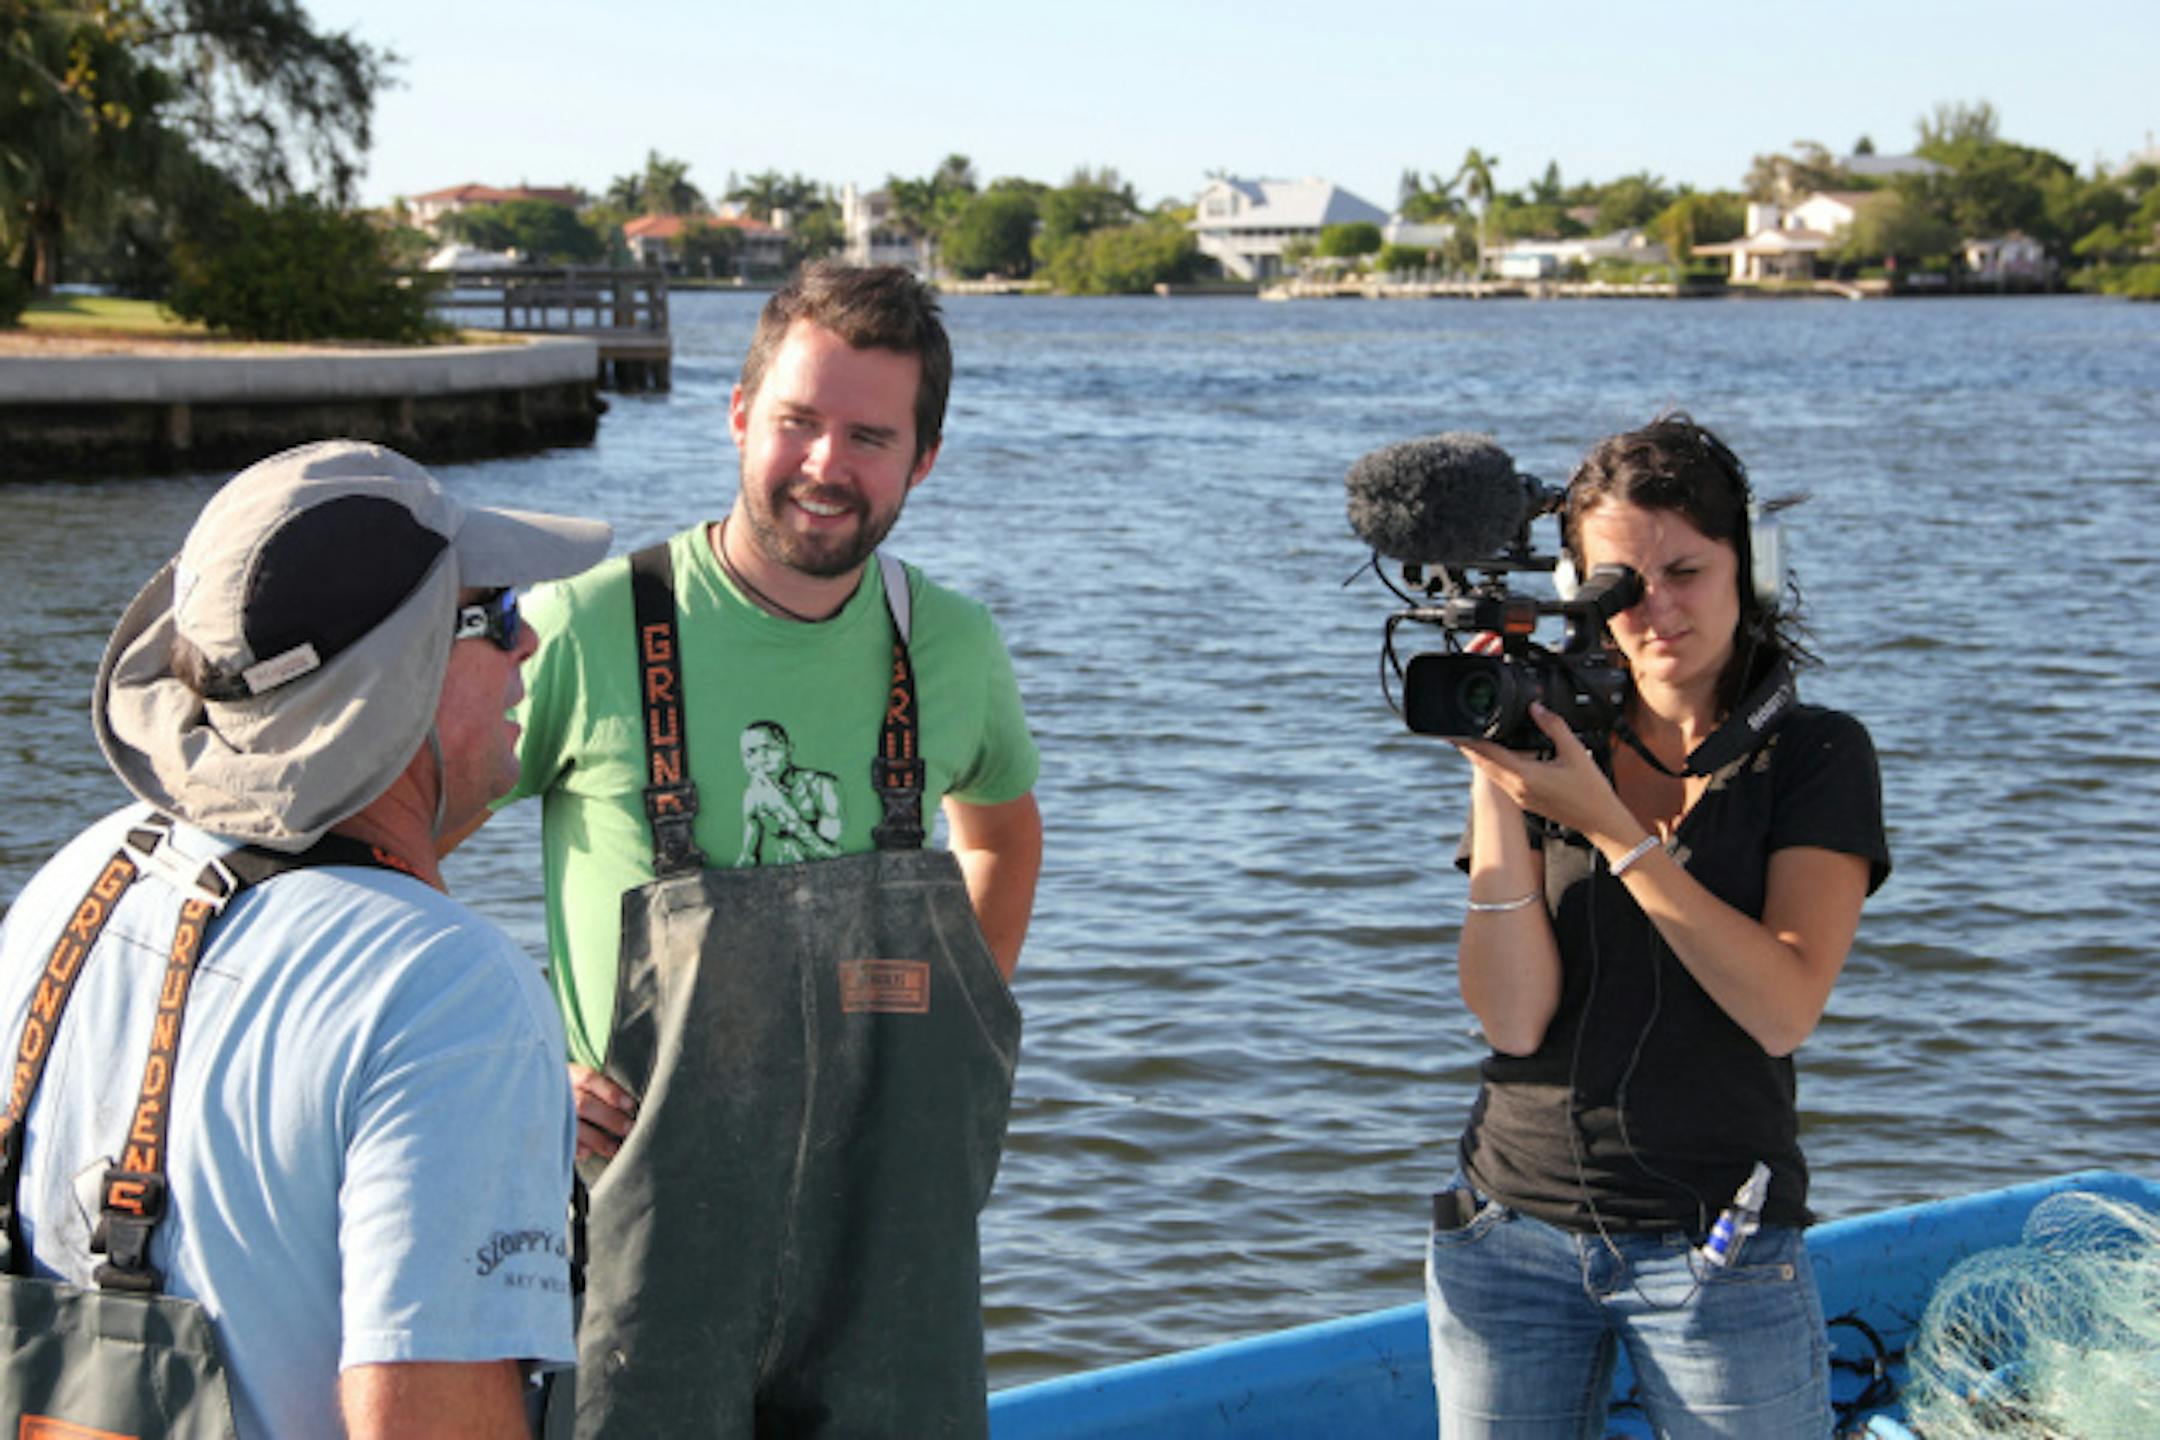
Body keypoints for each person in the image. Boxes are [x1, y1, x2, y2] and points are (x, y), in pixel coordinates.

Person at [492, 262, 1043, 1437]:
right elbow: (401, 837)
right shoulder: (586, 626)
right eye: (798, 420)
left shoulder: (951, 645)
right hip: (646, 1239)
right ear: (740, 414)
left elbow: (1000, 833)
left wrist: (962, 1021)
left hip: (890, 1236)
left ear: (923, 461)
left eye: (871, 436)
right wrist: (514, 1065)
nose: (826, 466)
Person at [0, 440, 610, 1439]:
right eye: (495, 615)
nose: (530, 644)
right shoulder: (446, 992)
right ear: (400, 670)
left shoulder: (81, 877)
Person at [1422, 415, 1891, 1438]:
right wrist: (1498, 782)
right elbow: (1510, 1018)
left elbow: (1780, 1007)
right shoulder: (1553, 741)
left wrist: (1614, 830)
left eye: (1685, 571)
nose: (1657, 610)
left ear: (1748, 568)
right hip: (1508, 1231)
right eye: (1620, 585)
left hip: (1716, 1247)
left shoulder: (1813, 757)